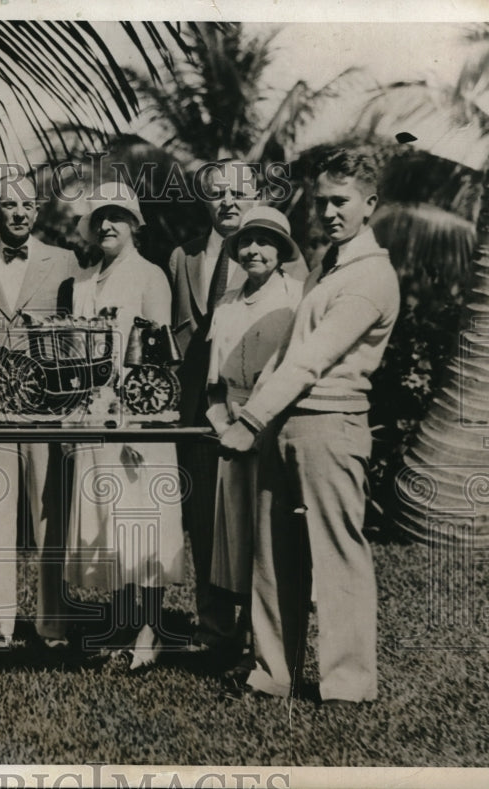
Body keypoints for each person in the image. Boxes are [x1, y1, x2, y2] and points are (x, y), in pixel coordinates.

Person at [219, 149, 400, 705]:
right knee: (272, 557)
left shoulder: (371, 275)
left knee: (337, 555)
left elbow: (312, 358)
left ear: (370, 204)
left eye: (340, 201)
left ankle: (347, 685)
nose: (328, 212)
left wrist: (250, 420)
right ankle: (272, 674)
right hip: (284, 422)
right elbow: (285, 355)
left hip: (331, 423)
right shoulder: (326, 267)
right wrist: (254, 417)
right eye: (321, 201)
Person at [62, 182, 186, 670]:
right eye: (100, 218)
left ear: (134, 223)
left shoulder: (150, 276)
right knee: (108, 524)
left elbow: (159, 359)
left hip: (138, 418)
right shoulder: (82, 283)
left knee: (143, 523)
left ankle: (150, 630)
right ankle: (119, 623)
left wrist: (140, 424)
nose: (108, 225)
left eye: (117, 216)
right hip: (93, 416)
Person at [0, 170, 77, 649]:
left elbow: (74, 340)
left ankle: (53, 625)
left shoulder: (64, 261)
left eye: (27, 204)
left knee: (50, 519)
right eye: (10, 205)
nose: (19, 213)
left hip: (46, 413)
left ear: (38, 210)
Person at [203, 206, 304, 672]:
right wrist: (223, 422)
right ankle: (241, 641)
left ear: (281, 250)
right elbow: (214, 381)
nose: (254, 250)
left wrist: (259, 424)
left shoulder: (297, 298)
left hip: (274, 427)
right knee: (237, 538)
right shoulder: (226, 302)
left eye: (265, 242)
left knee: (271, 540)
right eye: (246, 241)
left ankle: (273, 650)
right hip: (230, 432)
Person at [168, 160, 260, 653]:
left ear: (257, 195)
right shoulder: (182, 258)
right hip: (194, 418)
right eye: (218, 192)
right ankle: (214, 628)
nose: (228, 201)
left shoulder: (277, 258)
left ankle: (257, 630)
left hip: (252, 414)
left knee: (254, 525)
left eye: (239, 191)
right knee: (204, 522)